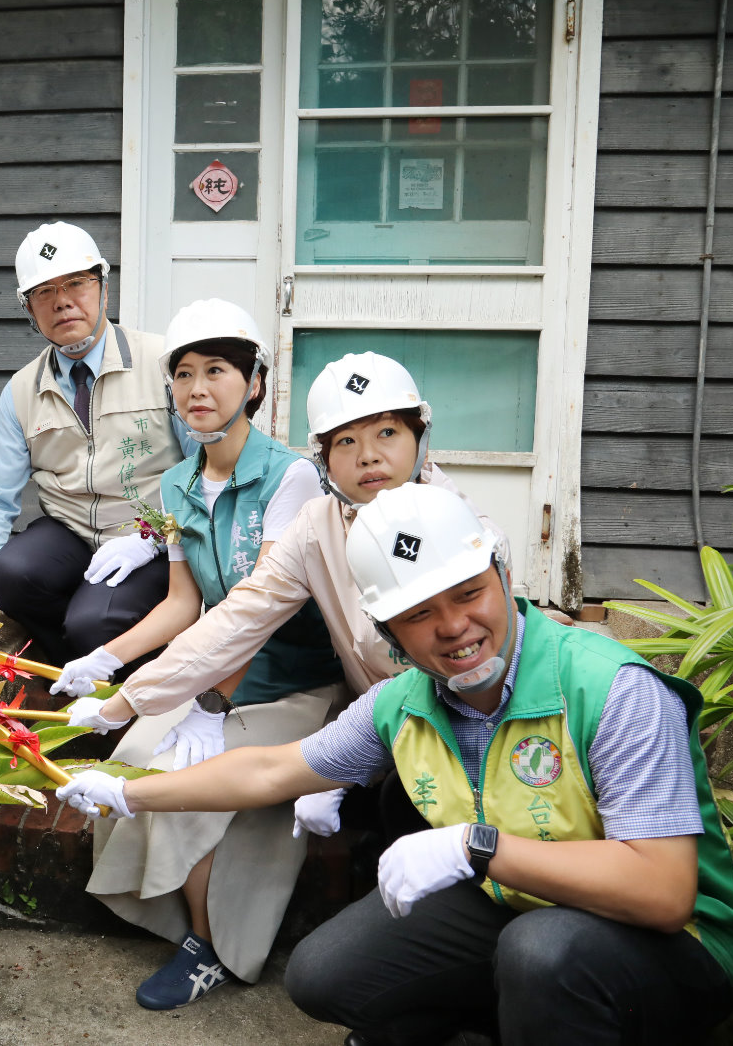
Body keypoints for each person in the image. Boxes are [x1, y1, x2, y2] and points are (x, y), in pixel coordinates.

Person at [59, 483, 733, 1046]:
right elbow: (270, 770)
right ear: (387, 632)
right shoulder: (405, 700)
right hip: (521, 906)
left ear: (503, 576)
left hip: (676, 946)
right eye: (418, 613)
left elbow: (662, 892)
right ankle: (510, 1016)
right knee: (324, 975)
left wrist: (475, 847)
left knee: (543, 955)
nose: (452, 625)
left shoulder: (607, 686)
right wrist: (127, 792)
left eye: (467, 592)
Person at [66, 351, 504, 1008]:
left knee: (426, 846)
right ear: (323, 459)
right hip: (376, 725)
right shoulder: (317, 526)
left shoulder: (462, 527)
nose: (368, 456)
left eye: (387, 432)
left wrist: (349, 761)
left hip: (465, 739)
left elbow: (454, 674)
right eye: (346, 441)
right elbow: (239, 615)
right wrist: (127, 697)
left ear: (419, 435)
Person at [36, 300, 339, 1008]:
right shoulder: (174, 485)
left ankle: (208, 946)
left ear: (254, 383)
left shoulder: (288, 476)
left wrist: (208, 704)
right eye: (182, 374)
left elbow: (257, 612)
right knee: (133, 754)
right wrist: (105, 658)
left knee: (190, 771)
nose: (196, 388)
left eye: (216, 371)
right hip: (211, 669)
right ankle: (175, 918)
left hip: (288, 682)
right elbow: (182, 604)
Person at [0, 222, 187, 666]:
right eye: (44, 292)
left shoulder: (162, 364)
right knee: (11, 574)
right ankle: (69, 667)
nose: (62, 300)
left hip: (149, 535)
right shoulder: (22, 390)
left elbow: (203, 470)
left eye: (76, 283)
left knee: (93, 622)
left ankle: (118, 693)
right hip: (72, 531)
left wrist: (154, 536)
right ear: (29, 308)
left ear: (103, 286)